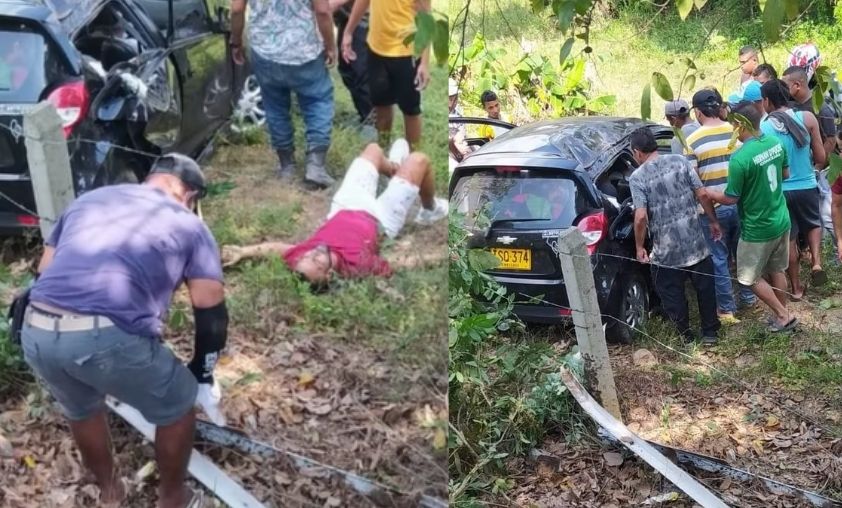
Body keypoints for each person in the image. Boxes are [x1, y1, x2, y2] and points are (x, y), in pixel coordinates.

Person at [20, 154, 227, 508]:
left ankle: (110, 493)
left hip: (36, 328)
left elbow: (43, 270)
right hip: (104, 338)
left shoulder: (89, 200)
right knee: (178, 406)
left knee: (81, 409)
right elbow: (210, 310)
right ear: (189, 196)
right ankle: (174, 500)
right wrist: (202, 375)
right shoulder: (190, 224)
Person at [221, 141, 448, 283]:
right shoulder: (358, 267)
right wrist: (445, 256)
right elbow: (401, 262)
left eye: (307, 256)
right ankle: (430, 209)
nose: (313, 253)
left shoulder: (305, 257)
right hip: (382, 219)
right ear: (329, 274)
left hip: (345, 205)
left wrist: (243, 251)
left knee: (373, 150)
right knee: (419, 160)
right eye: (317, 261)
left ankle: (394, 167)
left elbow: (278, 248)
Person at [706, 102, 797, 333]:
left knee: (748, 278)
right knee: (777, 270)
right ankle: (780, 314)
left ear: (741, 125)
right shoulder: (775, 143)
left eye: (733, 124)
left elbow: (731, 198)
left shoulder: (740, 159)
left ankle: (783, 315)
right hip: (781, 218)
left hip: (757, 227)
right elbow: (785, 173)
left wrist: (709, 193)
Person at [629, 127, 722, 345]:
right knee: (705, 289)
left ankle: (685, 336)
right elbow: (702, 194)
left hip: (666, 251)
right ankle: (710, 333)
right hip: (695, 243)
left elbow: (640, 216)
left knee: (672, 294)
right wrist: (713, 221)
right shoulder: (680, 162)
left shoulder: (638, 178)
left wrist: (639, 246)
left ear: (637, 152)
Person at [230, 0, 338, 188]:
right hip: (304, 50)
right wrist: (330, 45)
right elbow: (322, 11)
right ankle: (315, 166)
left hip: (264, 51)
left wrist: (236, 41)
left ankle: (286, 166)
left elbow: (237, 9)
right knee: (318, 101)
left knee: (275, 107)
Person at [685, 88, 757, 322]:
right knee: (743, 254)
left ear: (697, 112)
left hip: (713, 209)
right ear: (719, 108)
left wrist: (712, 219)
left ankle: (726, 308)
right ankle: (749, 298)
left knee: (719, 259)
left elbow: (697, 186)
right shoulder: (736, 132)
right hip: (741, 204)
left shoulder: (692, 140)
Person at [760, 79, 827, 297]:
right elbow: (821, 156)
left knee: (788, 238)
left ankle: (796, 289)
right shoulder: (806, 118)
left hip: (780, 190)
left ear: (767, 100)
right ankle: (817, 262)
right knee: (813, 224)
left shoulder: (763, 127)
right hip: (807, 184)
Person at [342, 0, 431, 150]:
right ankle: (383, 151)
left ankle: (412, 159)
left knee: (410, 109)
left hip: (406, 52)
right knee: (381, 104)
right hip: (376, 48)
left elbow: (426, 20)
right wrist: (348, 32)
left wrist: (424, 63)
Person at [330, 0, 373, 126]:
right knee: (347, 69)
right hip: (347, 18)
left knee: (360, 72)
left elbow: (332, 5)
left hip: (364, 20)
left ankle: (372, 121)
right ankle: (364, 115)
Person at [782, 66, 838, 157]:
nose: (782, 90)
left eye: (785, 86)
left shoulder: (821, 109)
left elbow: (831, 141)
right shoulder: (790, 104)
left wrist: (818, 165)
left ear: (797, 85)